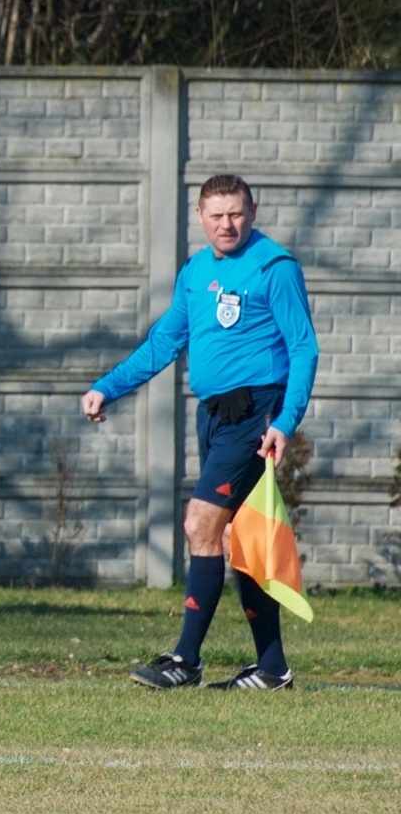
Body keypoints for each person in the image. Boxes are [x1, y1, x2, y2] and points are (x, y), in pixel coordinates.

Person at [81, 174, 318, 691]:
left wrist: (283, 422)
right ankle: (273, 669)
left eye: (235, 213)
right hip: (213, 416)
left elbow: (304, 349)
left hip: (255, 414)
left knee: (199, 524)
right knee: (236, 536)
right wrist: (108, 387)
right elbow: (164, 342)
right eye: (216, 215)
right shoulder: (195, 272)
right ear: (200, 216)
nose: (226, 224)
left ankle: (185, 660)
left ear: (252, 211)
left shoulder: (274, 267)